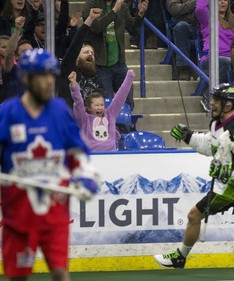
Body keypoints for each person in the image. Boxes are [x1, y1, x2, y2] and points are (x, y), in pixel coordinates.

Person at [153, 83, 234, 269]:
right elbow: (210, 145)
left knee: (193, 215)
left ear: (229, 104)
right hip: (231, 186)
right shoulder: (216, 124)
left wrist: (227, 172)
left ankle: (180, 257)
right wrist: (188, 136)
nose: (212, 103)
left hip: (232, 187)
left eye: (216, 100)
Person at [0, 48, 100, 281]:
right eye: (41, 76)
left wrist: (86, 176)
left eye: (50, 75)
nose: (47, 82)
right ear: (26, 78)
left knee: (60, 272)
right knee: (18, 276)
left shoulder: (59, 112)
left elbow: (77, 153)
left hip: (55, 212)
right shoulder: (7, 113)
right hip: (18, 215)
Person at [82, 0, 148, 111]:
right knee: (106, 105)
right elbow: (95, 28)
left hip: (119, 63)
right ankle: (110, 128)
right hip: (100, 65)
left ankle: (126, 128)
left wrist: (140, 14)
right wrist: (114, 11)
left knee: (128, 103)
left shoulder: (121, 6)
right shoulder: (92, 4)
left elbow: (132, 29)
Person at [196, 0, 234, 112]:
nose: (222, 2)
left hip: (231, 60)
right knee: (227, 62)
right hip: (210, 60)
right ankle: (208, 96)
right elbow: (200, 8)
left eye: (225, 0)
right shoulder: (208, 19)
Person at [68, 69, 135, 152]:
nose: (100, 107)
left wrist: (129, 77)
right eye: (96, 105)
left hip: (111, 154)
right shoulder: (84, 119)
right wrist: (74, 85)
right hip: (92, 155)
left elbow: (121, 96)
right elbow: (78, 103)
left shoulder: (111, 114)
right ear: (89, 108)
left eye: (102, 105)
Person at [57, 7, 103, 108]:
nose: (90, 54)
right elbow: (76, 44)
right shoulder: (68, 68)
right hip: (69, 118)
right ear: (77, 58)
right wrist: (90, 19)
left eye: (92, 53)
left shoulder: (97, 78)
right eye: (86, 52)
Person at [1, 16, 33, 104]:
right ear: (16, 56)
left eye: (31, 51)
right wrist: (17, 30)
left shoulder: (36, 74)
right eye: (24, 51)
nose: (29, 54)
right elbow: (9, 52)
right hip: (10, 114)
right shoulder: (12, 70)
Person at [166, 0, 199, 81]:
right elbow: (175, 9)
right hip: (182, 23)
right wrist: (196, 2)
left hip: (202, 24)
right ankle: (183, 68)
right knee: (182, 26)